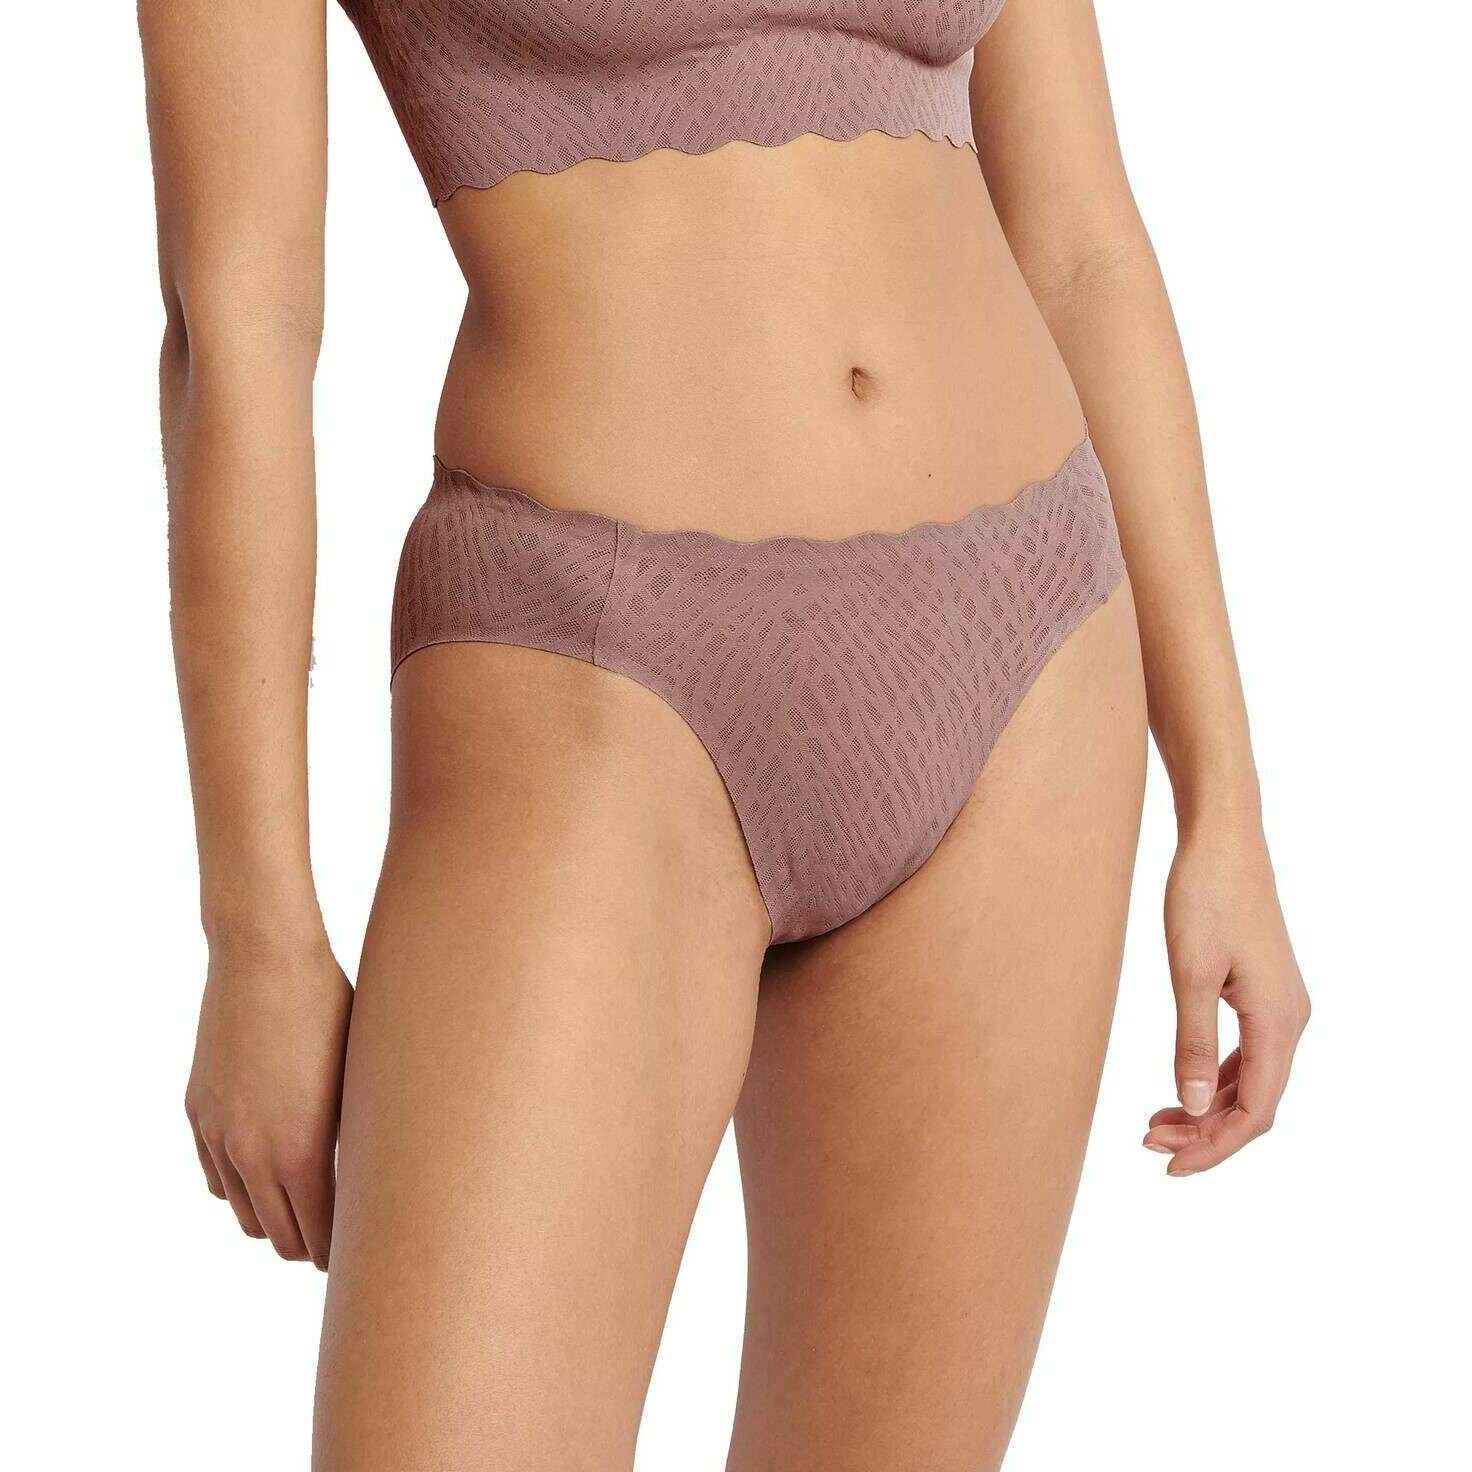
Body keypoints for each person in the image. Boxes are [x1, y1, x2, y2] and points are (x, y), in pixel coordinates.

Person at [140, 0, 1310, 1465]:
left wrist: (1225, 799)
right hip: (593, 668)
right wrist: (257, 932)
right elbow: (240, 316)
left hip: (1025, 655)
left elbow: (1082, 243)